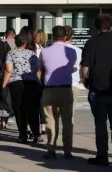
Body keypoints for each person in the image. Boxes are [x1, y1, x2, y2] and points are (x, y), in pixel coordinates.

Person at [39, 26, 76, 159]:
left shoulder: (45, 51)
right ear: (65, 37)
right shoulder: (72, 52)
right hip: (66, 88)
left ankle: (51, 148)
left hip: (50, 89)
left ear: (52, 36)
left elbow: (40, 69)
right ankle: (67, 150)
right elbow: (72, 67)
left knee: (50, 119)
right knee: (67, 120)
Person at [81, 14, 112, 166]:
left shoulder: (91, 43)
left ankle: (102, 155)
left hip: (98, 88)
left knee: (100, 124)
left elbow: (85, 66)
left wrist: (84, 81)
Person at [2, 34, 43, 143]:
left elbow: (9, 69)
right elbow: (38, 69)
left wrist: (4, 84)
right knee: (33, 109)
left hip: (16, 82)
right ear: (25, 43)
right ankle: (37, 135)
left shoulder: (10, 53)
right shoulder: (32, 54)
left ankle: (23, 135)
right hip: (32, 83)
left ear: (15, 43)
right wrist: (37, 80)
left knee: (19, 109)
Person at [63, 26, 81, 120]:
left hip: (58, 84)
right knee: (70, 114)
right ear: (72, 36)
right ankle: (68, 134)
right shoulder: (78, 51)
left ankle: (54, 134)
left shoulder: (53, 50)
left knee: (55, 115)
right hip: (73, 83)